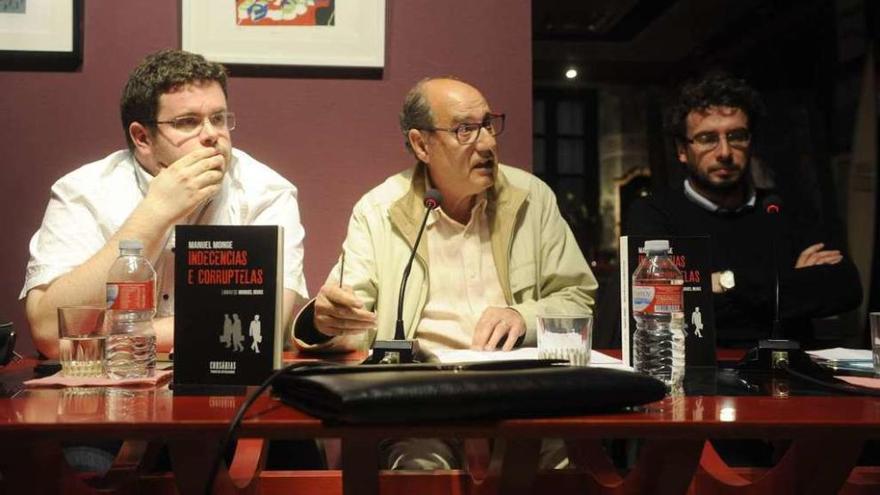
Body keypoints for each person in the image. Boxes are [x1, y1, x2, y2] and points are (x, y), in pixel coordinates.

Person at [293, 77, 597, 469]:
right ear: (421, 145)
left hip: (523, 398)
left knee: (566, 468)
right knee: (416, 469)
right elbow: (354, 316)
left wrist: (522, 317)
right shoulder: (379, 209)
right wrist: (325, 321)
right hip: (421, 403)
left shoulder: (531, 199)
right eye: (465, 130)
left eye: (488, 124)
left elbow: (578, 298)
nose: (487, 143)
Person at [21, 49, 308, 359]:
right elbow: (51, 334)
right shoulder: (82, 192)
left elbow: (263, 326)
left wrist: (108, 335)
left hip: (227, 390)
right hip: (104, 394)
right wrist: (155, 213)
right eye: (188, 122)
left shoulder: (267, 193)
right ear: (142, 138)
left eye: (219, 119)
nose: (212, 135)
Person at [625, 72, 861, 348]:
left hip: (790, 371)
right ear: (682, 150)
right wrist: (788, 281)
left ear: (750, 142)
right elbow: (661, 308)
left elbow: (845, 288)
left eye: (736, 136)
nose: (724, 151)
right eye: (707, 138)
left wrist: (723, 282)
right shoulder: (655, 213)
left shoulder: (783, 209)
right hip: (700, 370)